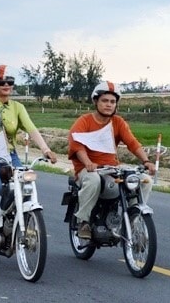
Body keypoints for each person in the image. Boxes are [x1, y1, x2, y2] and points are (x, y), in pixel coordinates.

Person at [0, 65, 58, 251]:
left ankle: (16, 219)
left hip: (10, 156)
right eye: (1, 82)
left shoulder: (18, 107)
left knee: (25, 185)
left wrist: (46, 149)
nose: (6, 85)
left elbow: (32, 129)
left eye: (9, 82)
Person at [67, 80, 155, 239]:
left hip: (112, 167)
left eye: (112, 101)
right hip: (88, 169)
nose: (109, 105)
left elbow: (132, 143)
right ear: (96, 101)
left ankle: (133, 219)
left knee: (144, 180)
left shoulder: (118, 122)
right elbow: (77, 145)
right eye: (105, 101)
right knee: (93, 180)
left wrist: (146, 161)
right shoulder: (84, 121)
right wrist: (87, 163)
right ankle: (83, 221)